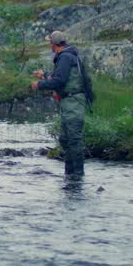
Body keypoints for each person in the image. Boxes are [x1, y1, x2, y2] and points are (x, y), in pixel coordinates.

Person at [30, 30, 88, 178]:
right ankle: (70, 175)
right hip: (69, 102)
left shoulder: (65, 57)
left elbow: (60, 81)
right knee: (65, 139)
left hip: (73, 102)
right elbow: (62, 79)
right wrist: (45, 76)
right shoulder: (67, 56)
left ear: (54, 44)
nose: (49, 44)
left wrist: (40, 84)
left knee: (74, 139)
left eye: (49, 42)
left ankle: (77, 176)